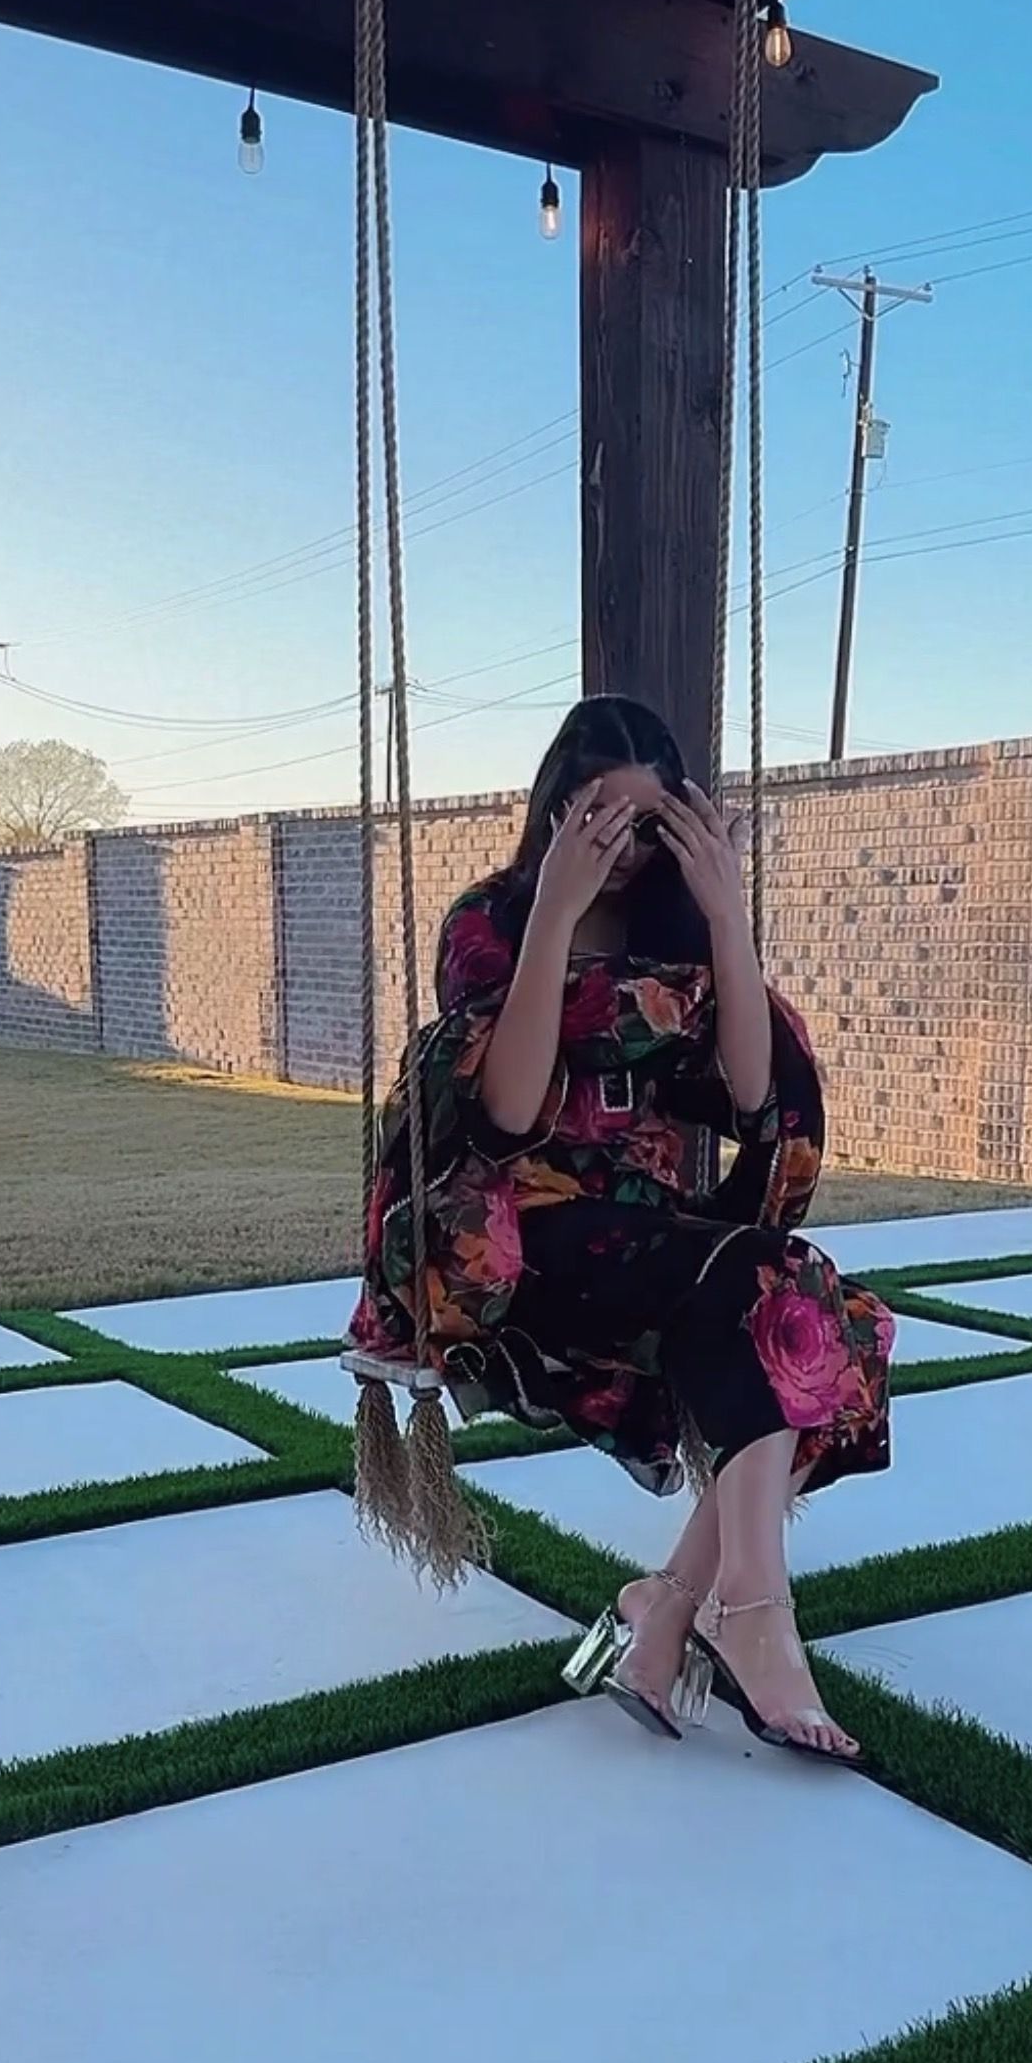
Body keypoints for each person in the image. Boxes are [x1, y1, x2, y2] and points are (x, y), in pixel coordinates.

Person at [351, 694, 894, 1764]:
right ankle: (751, 1615)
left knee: (841, 1326)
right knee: (775, 1284)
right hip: (519, 1238)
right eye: (597, 814)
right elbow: (506, 1112)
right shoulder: (491, 921)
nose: (623, 844)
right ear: (556, 806)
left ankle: (669, 1607)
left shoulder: (674, 928)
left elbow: (753, 1096)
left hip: (652, 1237)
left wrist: (727, 916)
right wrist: (555, 911)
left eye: (646, 823)